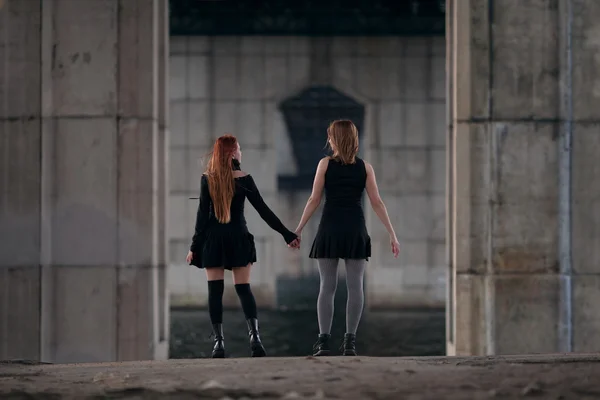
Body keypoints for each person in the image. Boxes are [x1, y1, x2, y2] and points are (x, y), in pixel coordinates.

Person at [186, 134, 300, 358]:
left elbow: (201, 218)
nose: (241, 152)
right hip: (238, 237)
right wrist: (287, 235)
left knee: (215, 293)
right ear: (231, 153)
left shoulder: (207, 179)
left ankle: (218, 343)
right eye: (238, 149)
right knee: (243, 289)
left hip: (213, 240)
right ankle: (255, 338)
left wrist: (194, 247)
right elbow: (264, 211)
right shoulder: (245, 178)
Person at [294, 120, 400, 356]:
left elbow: (314, 199)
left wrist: (299, 229)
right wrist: (392, 234)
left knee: (327, 287)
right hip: (355, 228)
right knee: (355, 287)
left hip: (330, 227)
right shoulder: (365, 168)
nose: (329, 140)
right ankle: (350, 342)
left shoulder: (325, 164)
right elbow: (377, 203)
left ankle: (323, 342)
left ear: (335, 139)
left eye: (330, 136)